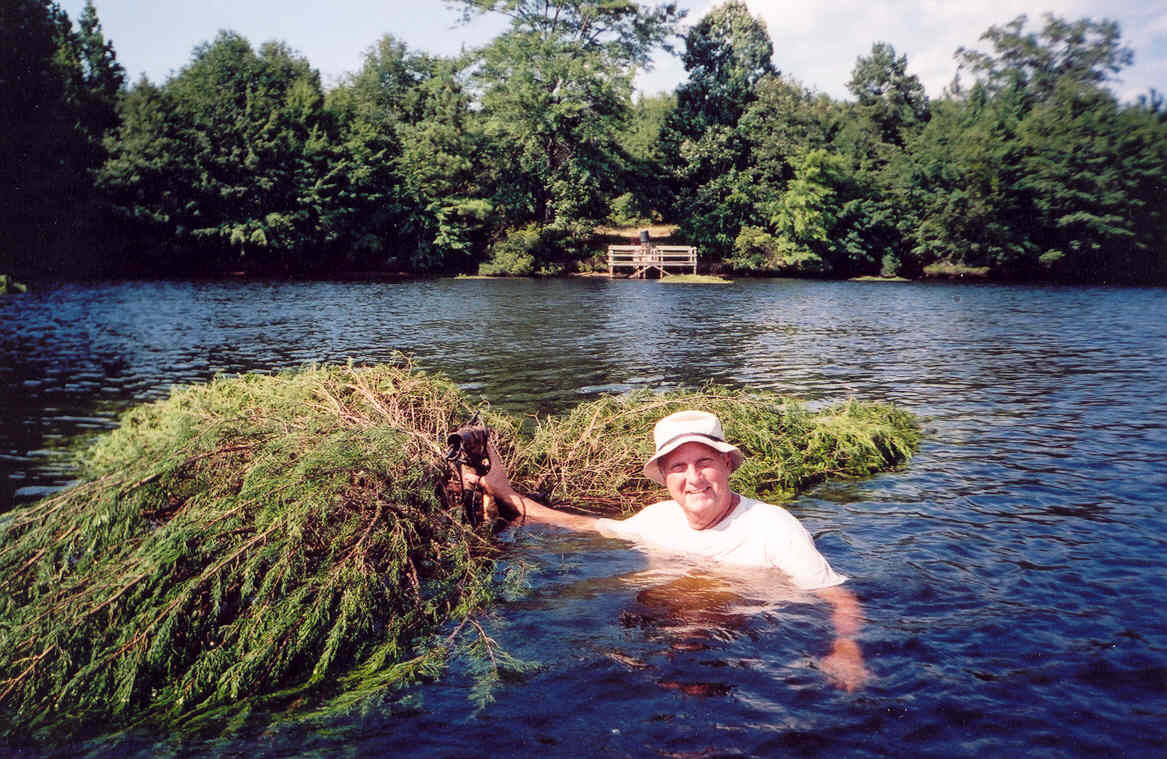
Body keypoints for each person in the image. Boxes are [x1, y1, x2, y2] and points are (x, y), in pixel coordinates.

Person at [464, 409, 870, 691]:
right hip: (665, 636)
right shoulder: (657, 519)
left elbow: (839, 597)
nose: (693, 478)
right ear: (664, 477)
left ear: (727, 464)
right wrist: (501, 490)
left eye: (704, 462)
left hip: (740, 646)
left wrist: (846, 649)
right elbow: (574, 523)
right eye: (678, 467)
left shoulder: (773, 527)